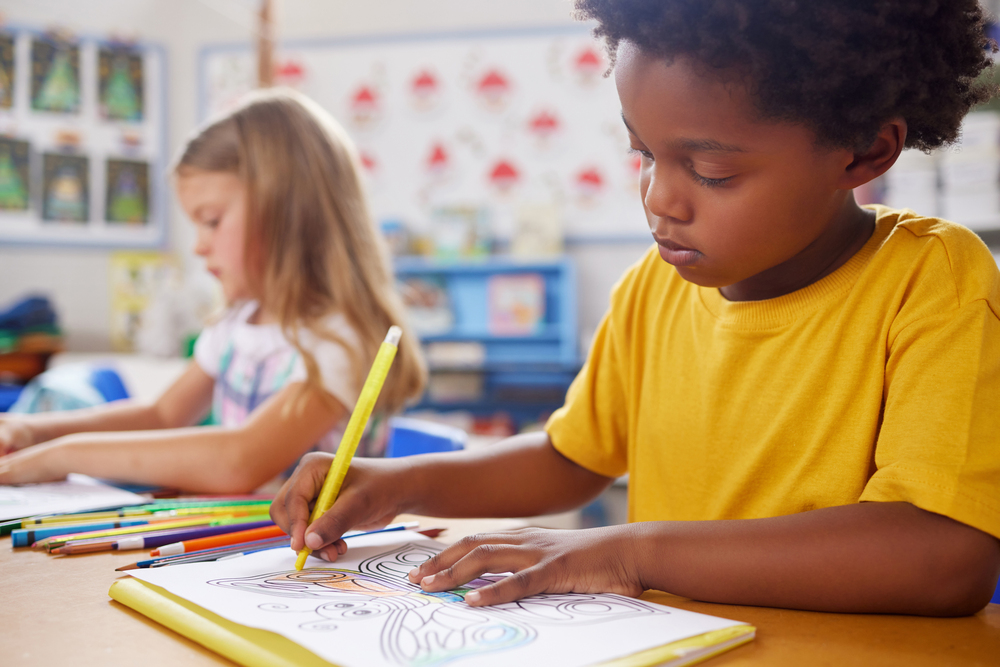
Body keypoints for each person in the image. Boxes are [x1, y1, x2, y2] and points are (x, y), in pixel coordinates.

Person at [270, 1, 1000, 617]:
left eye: (711, 172)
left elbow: (944, 555)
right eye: (642, 152)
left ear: (865, 152)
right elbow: (569, 459)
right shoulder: (654, 286)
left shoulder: (934, 282)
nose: (657, 197)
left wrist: (630, 549)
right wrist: (397, 482)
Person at [0, 89, 426, 493]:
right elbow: (162, 415)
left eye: (212, 220)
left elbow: (240, 460)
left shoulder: (339, 339)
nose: (198, 245)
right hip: (231, 556)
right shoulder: (237, 323)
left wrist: (65, 456)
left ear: (287, 213)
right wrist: (32, 432)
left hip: (309, 563)